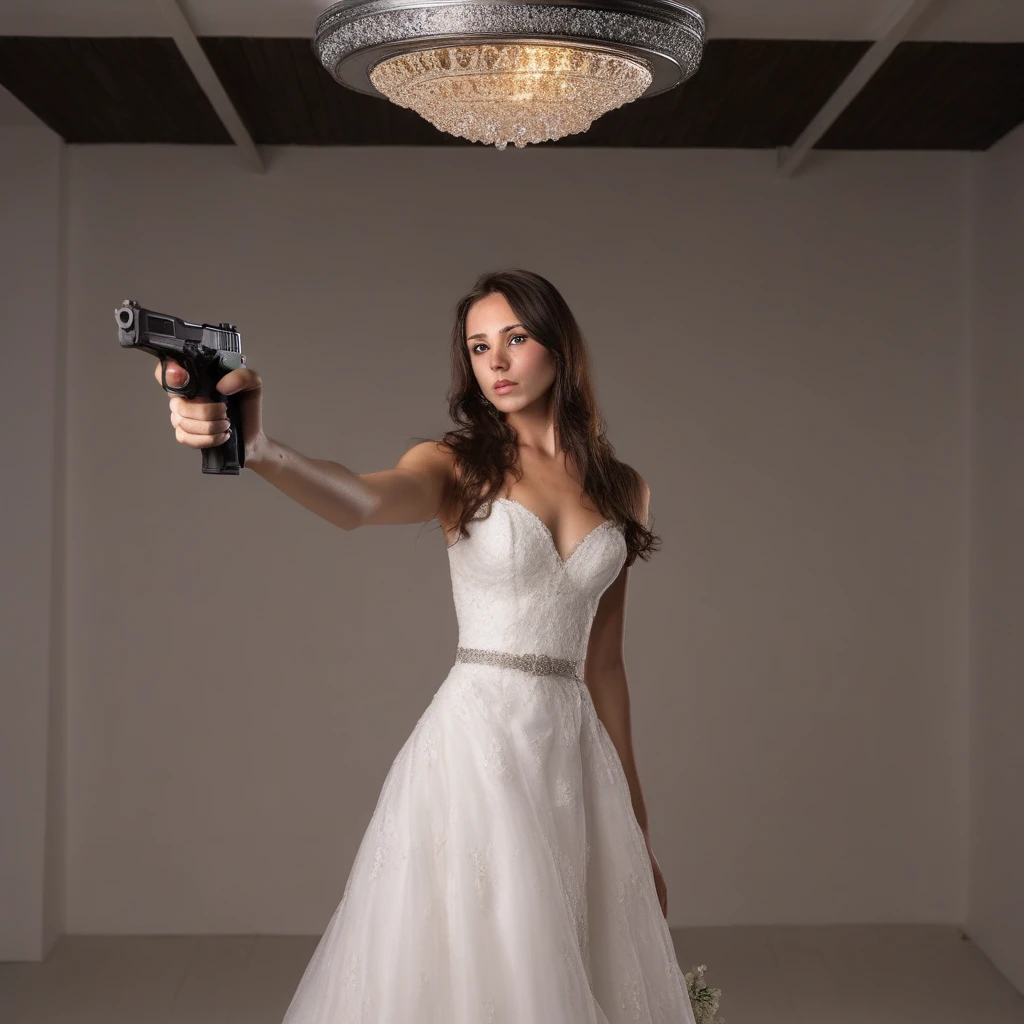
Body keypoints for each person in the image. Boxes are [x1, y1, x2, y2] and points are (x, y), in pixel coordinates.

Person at [156, 268, 697, 1023]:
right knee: (494, 956)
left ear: (560, 348)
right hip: (480, 746)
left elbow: (606, 665)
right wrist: (260, 448)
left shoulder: (624, 487)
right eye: (479, 347)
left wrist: (638, 826)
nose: (497, 362)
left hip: (575, 753)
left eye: (515, 339)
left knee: (574, 959)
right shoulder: (457, 464)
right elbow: (358, 501)